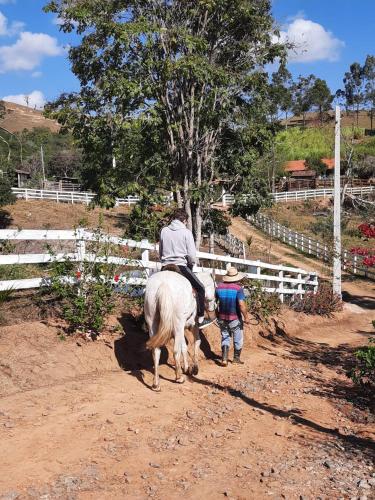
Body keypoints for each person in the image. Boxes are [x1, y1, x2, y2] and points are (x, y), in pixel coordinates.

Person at [159, 208, 215, 329]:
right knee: (200, 288)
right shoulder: (186, 232)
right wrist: (191, 263)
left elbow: (160, 251)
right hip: (180, 266)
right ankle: (200, 318)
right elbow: (191, 255)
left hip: (164, 266)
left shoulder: (164, 230)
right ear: (184, 220)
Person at [215, 266, 250, 366]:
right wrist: (246, 317)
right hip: (235, 317)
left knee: (225, 336)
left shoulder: (219, 287)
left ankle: (224, 359)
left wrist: (217, 314)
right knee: (238, 338)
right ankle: (236, 359)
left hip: (222, 317)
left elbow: (214, 303)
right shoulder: (238, 289)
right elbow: (241, 304)